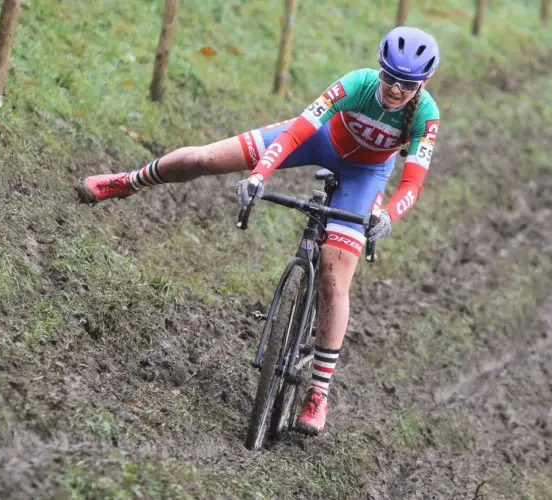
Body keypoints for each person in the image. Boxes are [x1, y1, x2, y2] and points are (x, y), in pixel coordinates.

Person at [76, 26, 441, 435]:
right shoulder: (355, 84)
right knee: (205, 158)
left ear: (423, 83)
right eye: (390, 77)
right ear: (379, 68)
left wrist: (387, 214)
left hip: (366, 175)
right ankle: (128, 181)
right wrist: (260, 174)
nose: (395, 89)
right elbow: (299, 130)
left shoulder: (425, 115)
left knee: (335, 277)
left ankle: (318, 391)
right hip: (317, 140)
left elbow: (412, 182)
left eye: (407, 84)